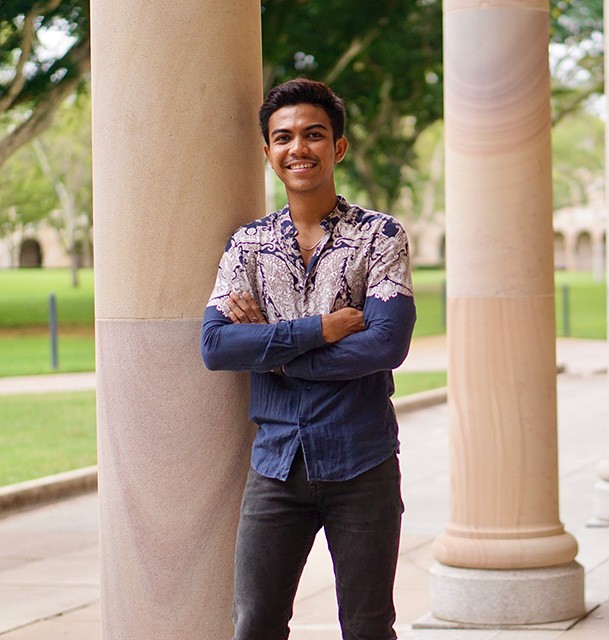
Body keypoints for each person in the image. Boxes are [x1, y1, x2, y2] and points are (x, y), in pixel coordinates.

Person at [201, 78, 416, 640]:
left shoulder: (380, 237)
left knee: (368, 627)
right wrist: (319, 329)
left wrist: (272, 352)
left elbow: (386, 345)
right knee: (255, 624)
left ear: (338, 148)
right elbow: (217, 346)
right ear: (268, 153)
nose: (299, 147)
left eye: (314, 135)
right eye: (284, 137)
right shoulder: (247, 245)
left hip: (362, 462)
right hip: (274, 468)